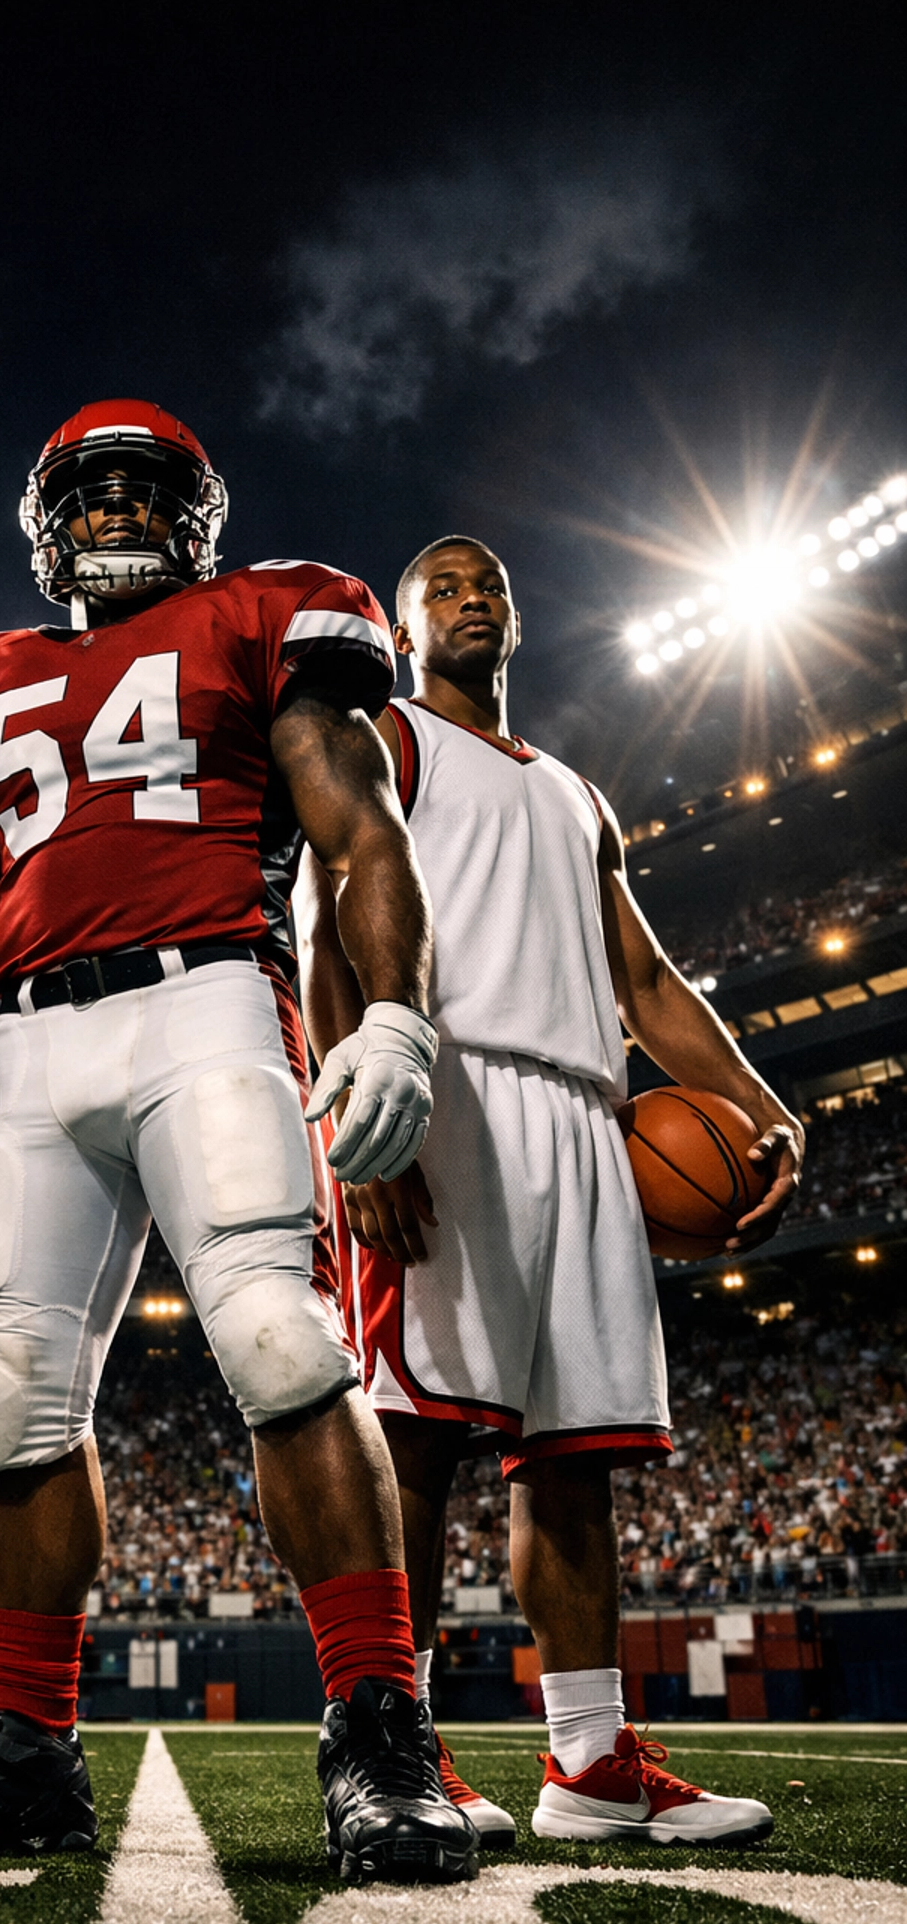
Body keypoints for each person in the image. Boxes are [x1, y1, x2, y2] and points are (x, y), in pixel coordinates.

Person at [0, 400, 478, 1882]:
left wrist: (396, 1017)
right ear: (50, 524)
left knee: (279, 1343)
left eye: (139, 491)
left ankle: (380, 1729)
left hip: (208, 1001)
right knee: (8, 1393)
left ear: (193, 511)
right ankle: (24, 1751)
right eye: (90, 495)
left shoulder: (267, 617)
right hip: (32, 1041)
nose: (114, 515)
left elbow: (365, 835)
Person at [298, 537, 797, 1847]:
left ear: (516, 622)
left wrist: (759, 1101)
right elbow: (321, 929)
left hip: (585, 1115)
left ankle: (589, 1766)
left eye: (491, 588)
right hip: (441, 1093)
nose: (473, 601)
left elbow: (646, 990)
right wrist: (362, 1114)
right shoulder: (379, 740)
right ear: (406, 627)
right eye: (445, 588)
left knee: (574, 1464)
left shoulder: (576, 794)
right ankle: (398, 1751)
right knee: (411, 1442)